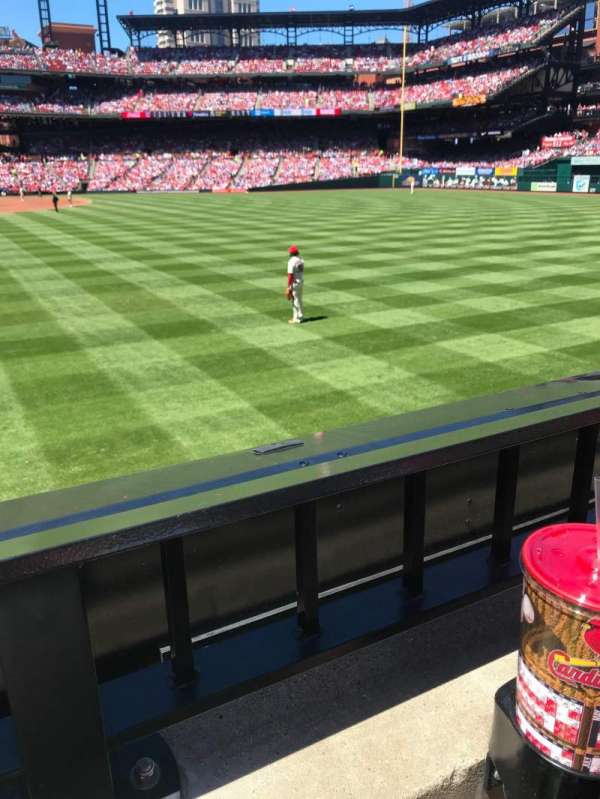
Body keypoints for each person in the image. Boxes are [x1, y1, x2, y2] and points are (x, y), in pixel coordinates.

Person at [285, 245, 304, 324]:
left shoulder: (291, 261)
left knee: (295, 300)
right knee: (299, 299)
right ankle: (301, 316)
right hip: (301, 281)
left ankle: (296, 318)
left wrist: (288, 286)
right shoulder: (301, 260)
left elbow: (290, 275)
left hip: (295, 283)